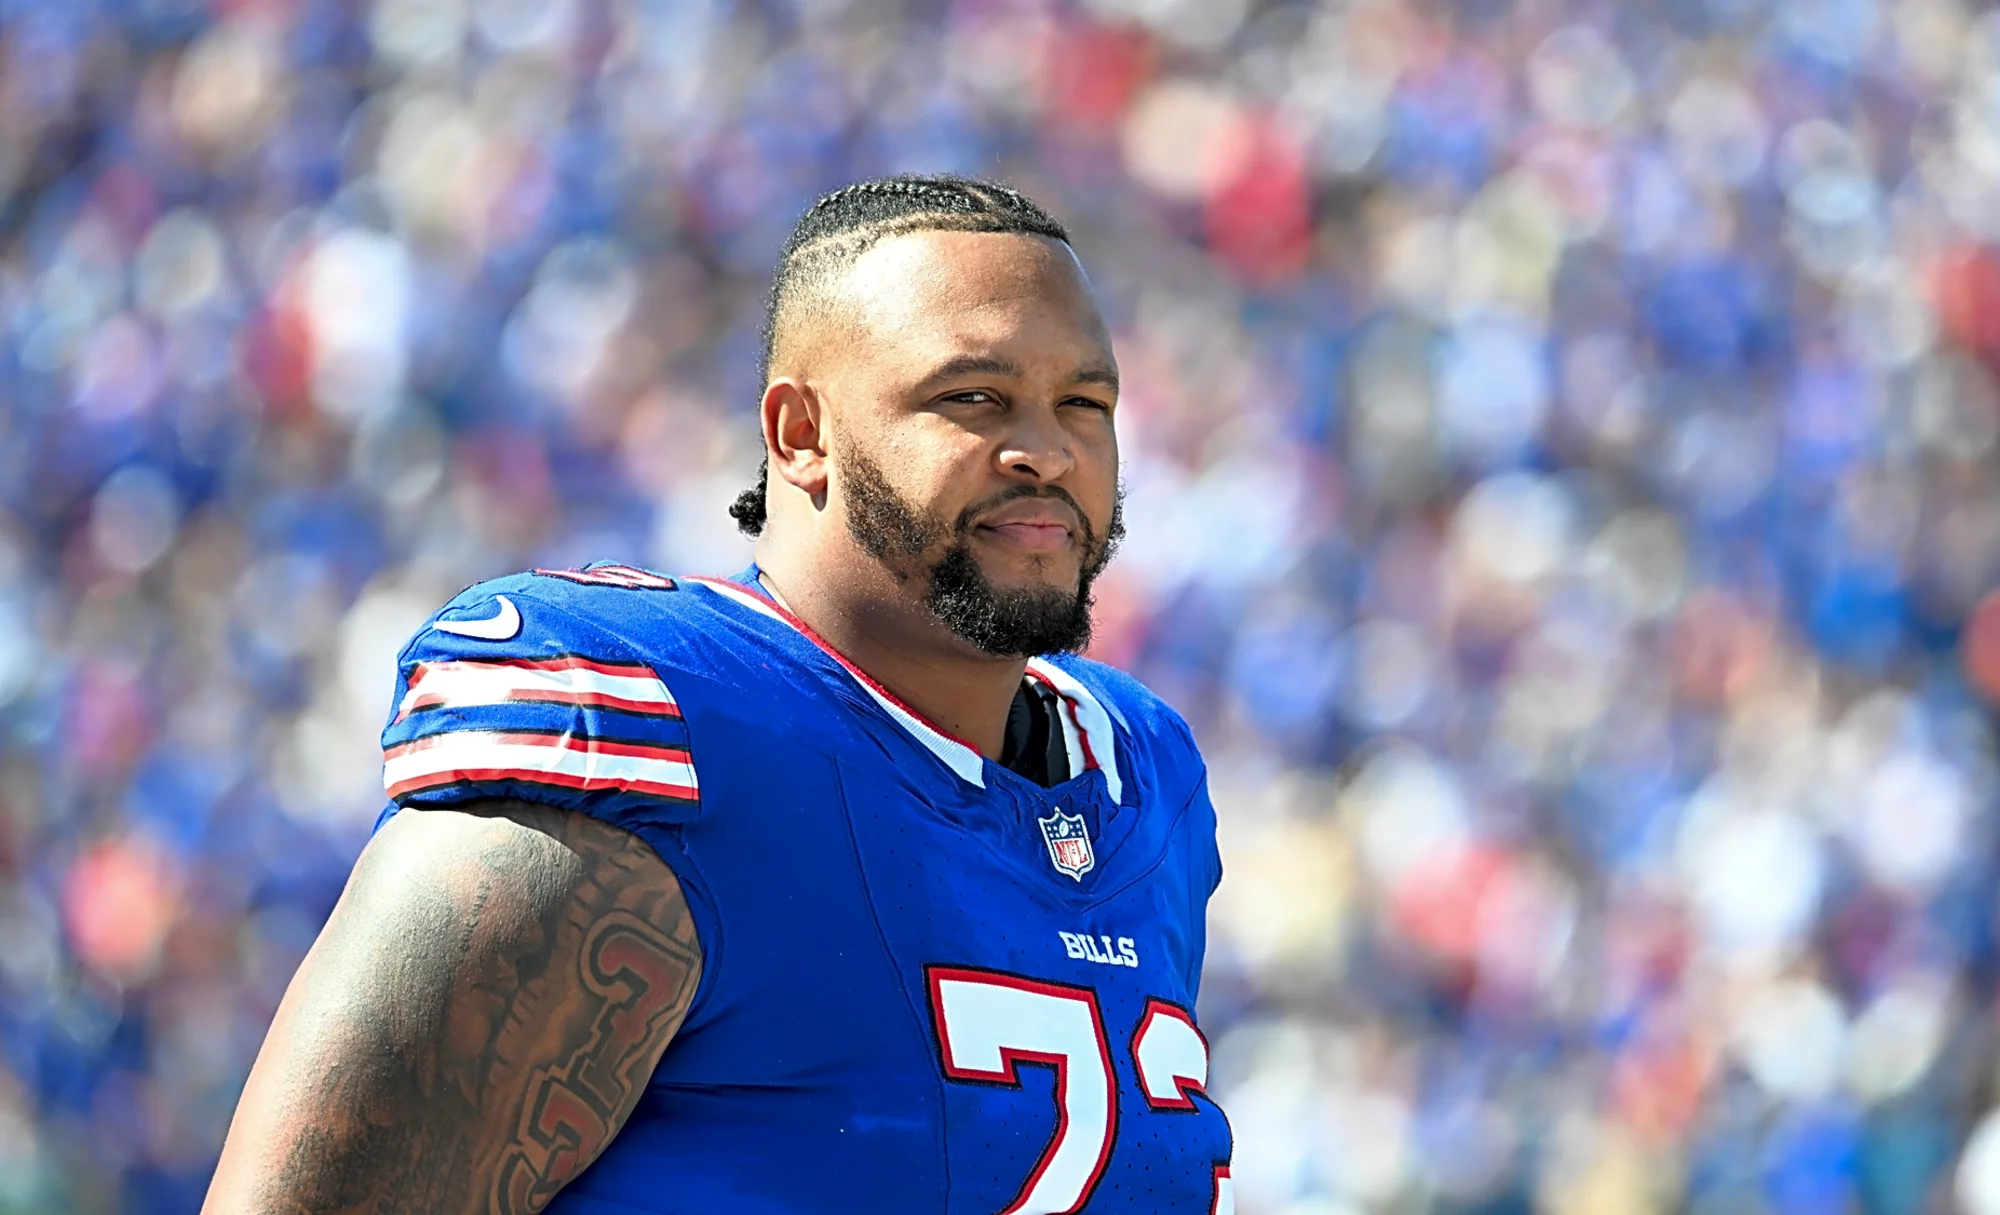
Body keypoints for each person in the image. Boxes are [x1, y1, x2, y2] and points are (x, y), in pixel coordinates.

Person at [202, 175, 1232, 1214]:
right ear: (798, 433)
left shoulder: (1142, 779)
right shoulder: (655, 728)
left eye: (1083, 405)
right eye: (973, 397)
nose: (1048, 450)